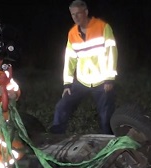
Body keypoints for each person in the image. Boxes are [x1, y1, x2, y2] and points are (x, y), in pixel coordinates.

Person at [49, 0, 118, 135]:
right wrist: (67, 84)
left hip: (102, 81)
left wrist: (109, 79)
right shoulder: (72, 33)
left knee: (106, 117)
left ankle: (110, 145)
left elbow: (112, 53)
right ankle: (55, 139)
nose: (75, 17)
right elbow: (69, 58)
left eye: (78, 14)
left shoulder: (103, 27)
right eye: (72, 14)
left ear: (86, 12)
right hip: (82, 81)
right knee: (61, 107)